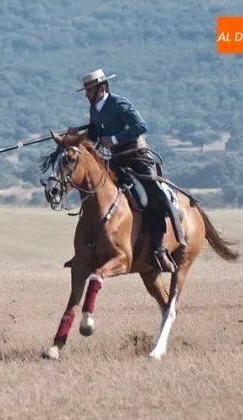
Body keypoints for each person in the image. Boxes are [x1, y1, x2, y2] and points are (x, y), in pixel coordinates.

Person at [65, 69, 186, 273]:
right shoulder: (95, 108)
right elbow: (95, 133)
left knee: (152, 197)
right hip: (117, 159)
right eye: (86, 91)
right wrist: (76, 134)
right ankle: (85, 253)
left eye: (89, 90)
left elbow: (140, 126)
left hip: (138, 157)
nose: (86, 94)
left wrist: (113, 139)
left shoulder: (119, 103)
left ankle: (159, 250)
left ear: (102, 88)